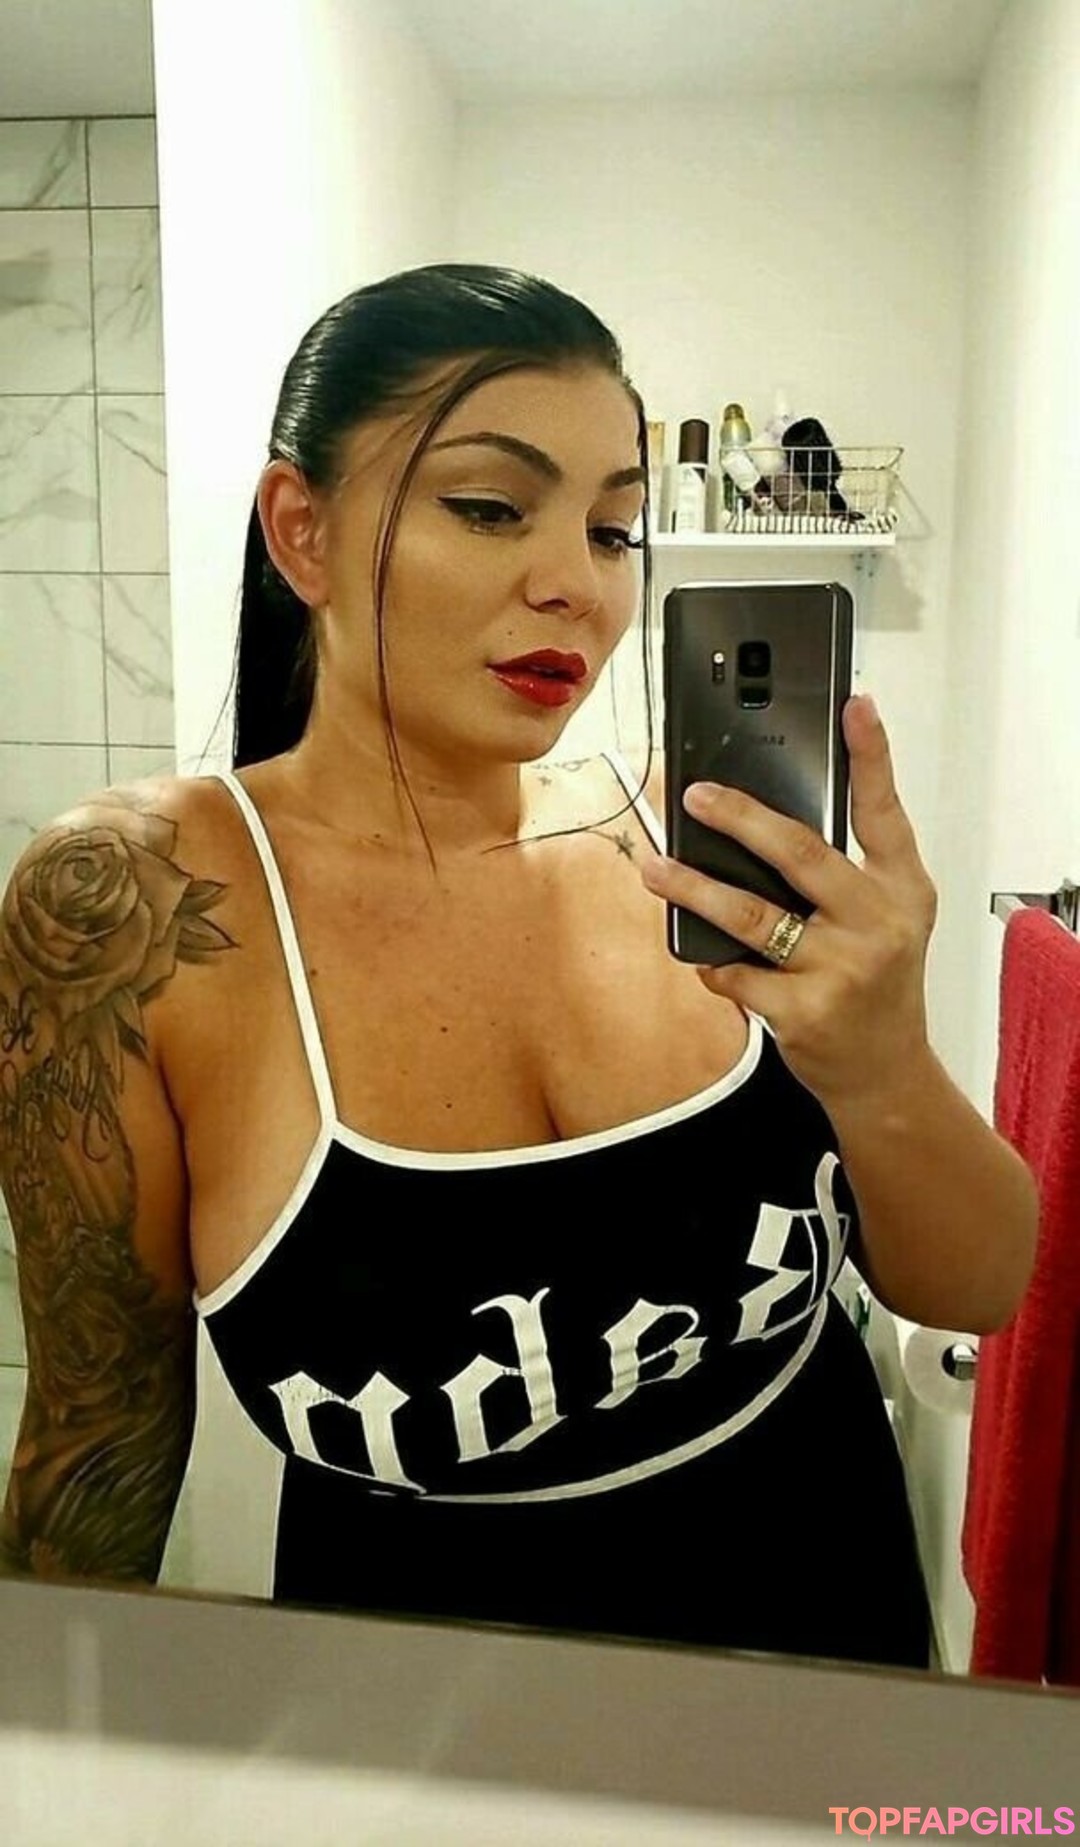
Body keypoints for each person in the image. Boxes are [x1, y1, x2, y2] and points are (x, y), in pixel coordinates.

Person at [0, 264, 1038, 1669]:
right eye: (491, 508)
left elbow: (979, 1288)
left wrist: (885, 1062)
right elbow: (95, 1449)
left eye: (613, 530)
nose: (577, 588)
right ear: (302, 530)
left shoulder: (696, 846)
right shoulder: (139, 907)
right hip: (416, 1735)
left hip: (832, 1685)